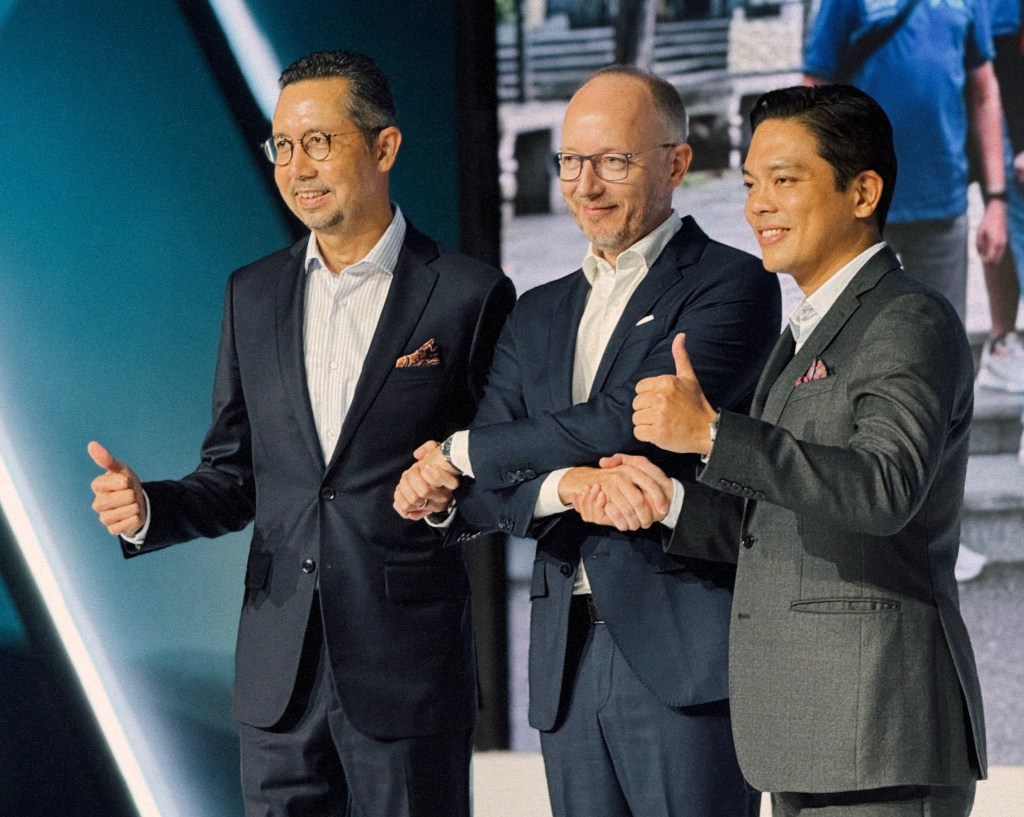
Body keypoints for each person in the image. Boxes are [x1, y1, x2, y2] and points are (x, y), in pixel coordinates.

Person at [88, 50, 515, 817]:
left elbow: (504, 469)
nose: (297, 167)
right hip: (277, 675)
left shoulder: (468, 293)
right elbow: (234, 475)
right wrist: (150, 508)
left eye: (318, 142)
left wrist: (449, 497)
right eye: (282, 145)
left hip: (407, 670)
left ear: (384, 146)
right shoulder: (251, 293)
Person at [578, 84, 986, 817]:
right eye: (749, 184)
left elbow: (884, 488)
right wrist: (670, 503)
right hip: (809, 737)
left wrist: (712, 434)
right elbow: (779, 521)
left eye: (784, 180)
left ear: (863, 192)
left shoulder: (907, 318)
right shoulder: (805, 333)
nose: (757, 206)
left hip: (880, 736)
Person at [395, 66, 781, 817]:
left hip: (684, 654)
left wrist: (460, 452)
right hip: (565, 662)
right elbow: (486, 493)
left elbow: (624, 419)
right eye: (571, 160)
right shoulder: (536, 311)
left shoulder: (732, 284)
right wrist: (564, 485)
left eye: (613, 161)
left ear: (676, 162)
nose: (585, 184)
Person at [804, 0, 1019, 390]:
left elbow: (984, 93)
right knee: (846, 356)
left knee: (941, 358)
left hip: (942, 204)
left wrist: (997, 201)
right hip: (860, 211)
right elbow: (812, 90)